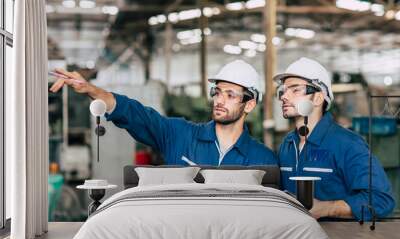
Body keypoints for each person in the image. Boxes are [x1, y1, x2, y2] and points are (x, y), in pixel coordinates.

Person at [50, 60, 277, 166]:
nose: (219, 100)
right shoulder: (179, 135)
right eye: (217, 92)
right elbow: (135, 113)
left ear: (249, 104)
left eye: (230, 95)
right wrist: (91, 89)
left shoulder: (263, 159)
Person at [274, 57, 395, 220]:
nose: (284, 96)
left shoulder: (348, 144)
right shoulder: (287, 144)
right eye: (283, 90)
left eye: (295, 90)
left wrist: (327, 208)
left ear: (317, 98)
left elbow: (381, 200)